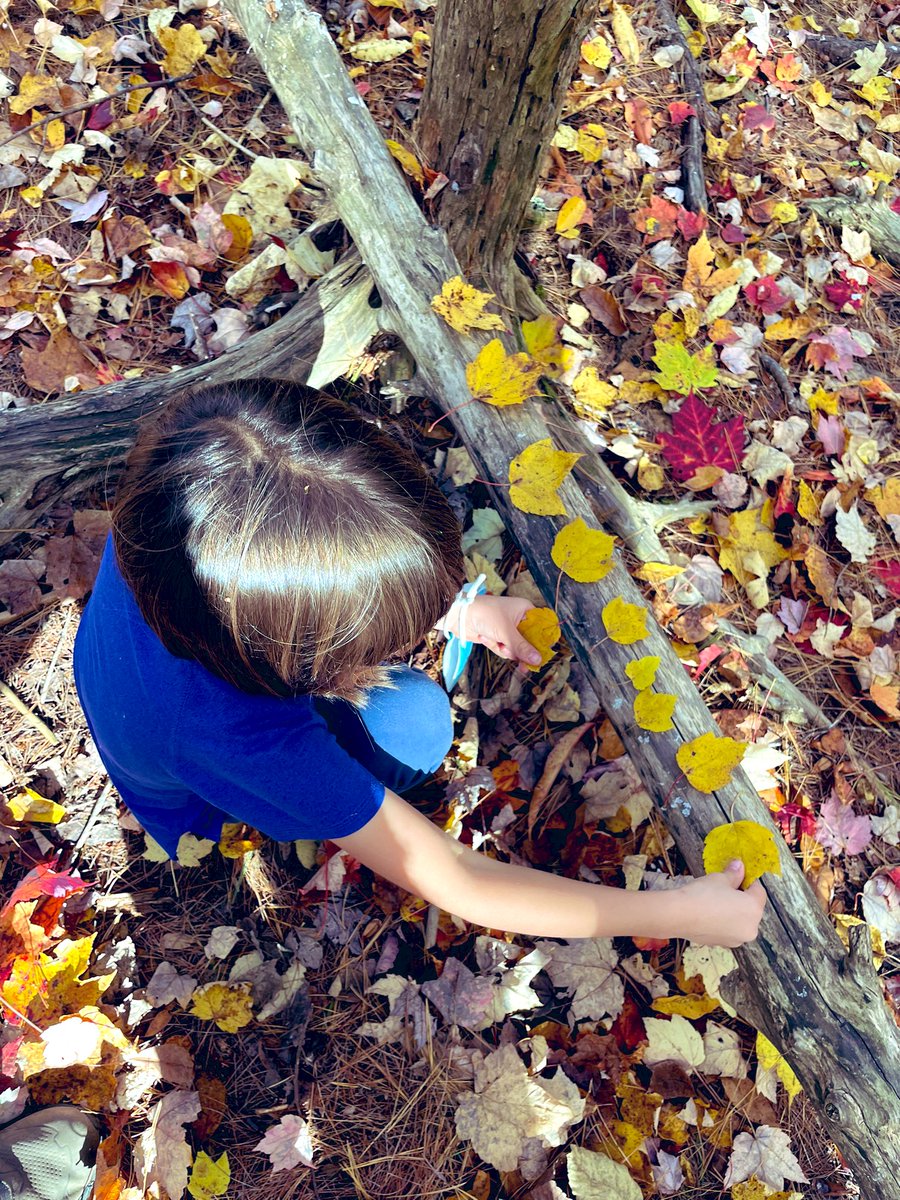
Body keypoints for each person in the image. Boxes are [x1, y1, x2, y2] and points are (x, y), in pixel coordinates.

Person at [73, 380, 766, 946]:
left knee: (406, 710)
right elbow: (460, 880)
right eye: (369, 639)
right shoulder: (246, 742)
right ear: (300, 657)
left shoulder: (180, 503)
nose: (394, 646)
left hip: (152, 695)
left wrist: (457, 610)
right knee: (416, 725)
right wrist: (677, 915)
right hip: (200, 799)